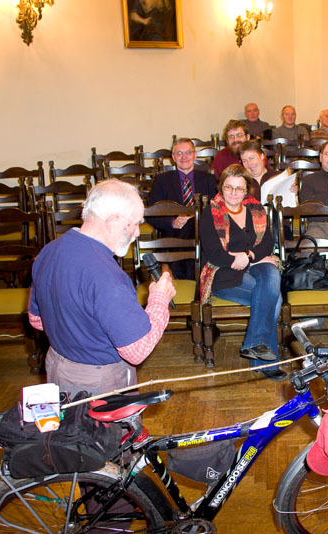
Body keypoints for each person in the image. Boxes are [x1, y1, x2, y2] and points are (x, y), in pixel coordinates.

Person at [28, 179, 177, 397]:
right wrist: (159, 300)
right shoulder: (107, 276)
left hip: (58, 368)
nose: (137, 233)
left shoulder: (48, 252)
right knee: (111, 433)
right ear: (113, 221)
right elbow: (137, 350)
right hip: (99, 384)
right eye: (134, 223)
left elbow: (37, 321)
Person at [198, 165, 286, 381]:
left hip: (253, 263)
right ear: (221, 187)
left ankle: (255, 347)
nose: (234, 193)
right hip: (224, 272)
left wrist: (247, 256)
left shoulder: (257, 211)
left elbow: (267, 244)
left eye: (239, 188)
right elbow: (214, 254)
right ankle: (264, 362)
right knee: (274, 299)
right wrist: (238, 259)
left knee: (273, 274)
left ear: (247, 190)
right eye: (229, 187)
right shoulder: (210, 213)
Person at [148, 137, 218, 279]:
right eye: (179, 153)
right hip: (173, 234)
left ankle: (177, 273)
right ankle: (193, 279)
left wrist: (195, 219)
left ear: (195, 155)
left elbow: (216, 209)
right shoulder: (162, 180)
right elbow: (151, 213)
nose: (184, 157)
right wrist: (172, 222)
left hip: (203, 235)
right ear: (173, 157)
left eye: (188, 152)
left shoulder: (209, 179)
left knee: (195, 223)